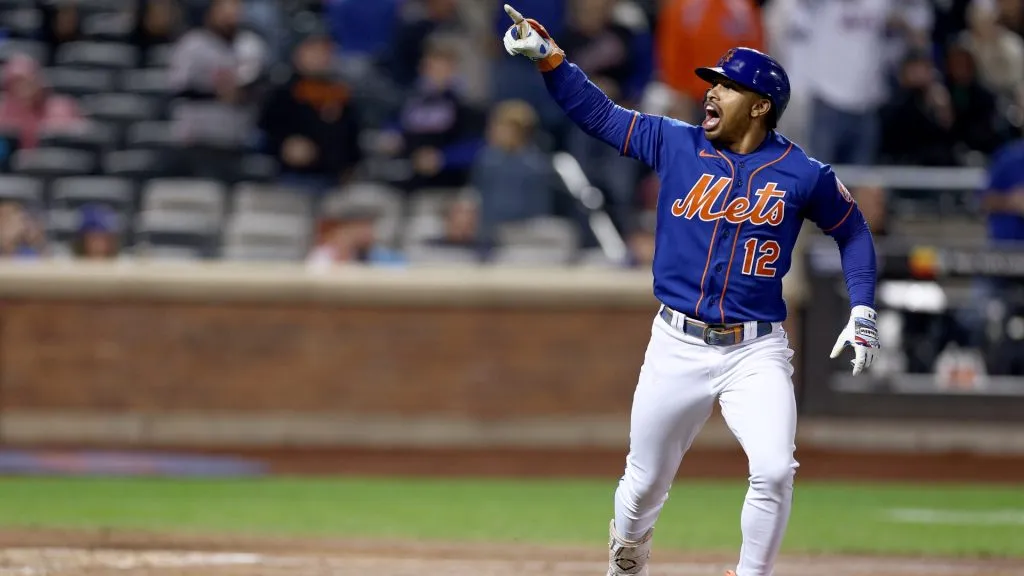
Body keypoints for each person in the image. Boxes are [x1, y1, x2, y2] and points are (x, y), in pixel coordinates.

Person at [501, 6, 880, 576]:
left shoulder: (804, 173)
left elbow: (853, 231)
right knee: (643, 484)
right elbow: (599, 115)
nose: (711, 92)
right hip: (676, 343)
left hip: (756, 349)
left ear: (760, 106)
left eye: (727, 86)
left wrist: (863, 307)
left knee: (775, 470)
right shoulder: (675, 142)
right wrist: (552, 60)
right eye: (713, 83)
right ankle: (626, 561)